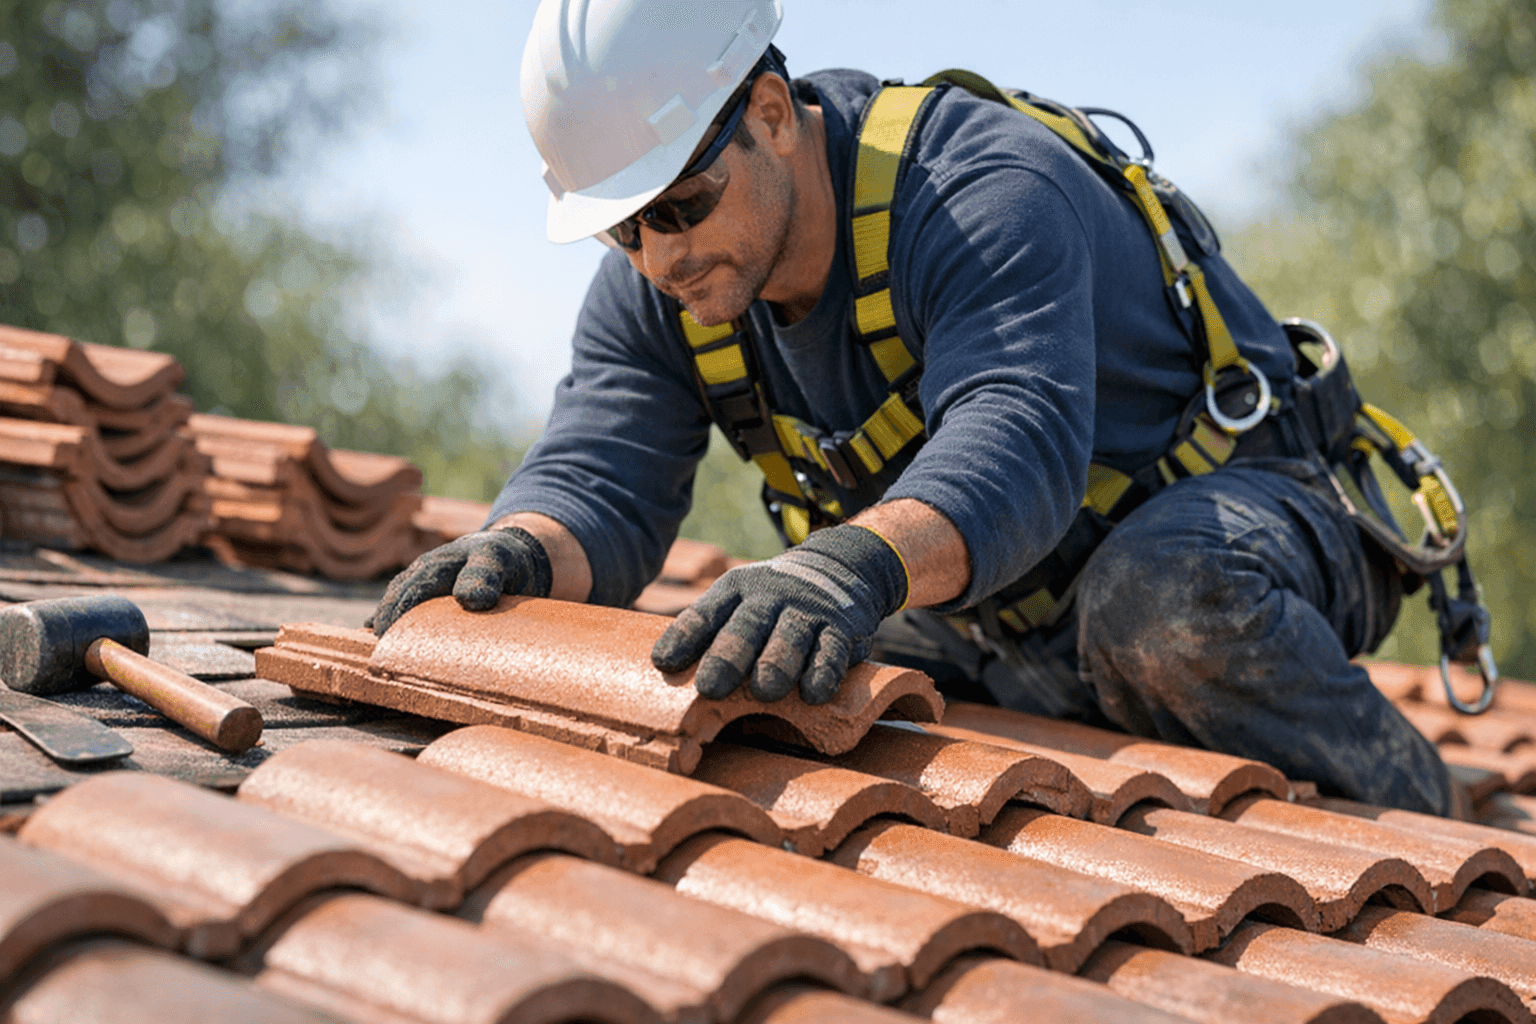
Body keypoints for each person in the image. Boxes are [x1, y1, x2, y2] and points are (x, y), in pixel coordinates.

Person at [370, 0, 1456, 815]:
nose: (659, 257)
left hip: (1243, 520)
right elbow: (600, 474)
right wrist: (516, 552)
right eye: (624, 230)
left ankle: (1429, 818)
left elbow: (1016, 436)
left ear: (767, 113)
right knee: (774, 670)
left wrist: (847, 567)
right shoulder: (672, 285)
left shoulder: (980, 190)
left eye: (682, 207)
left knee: (1157, 600)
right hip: (1003, 606)